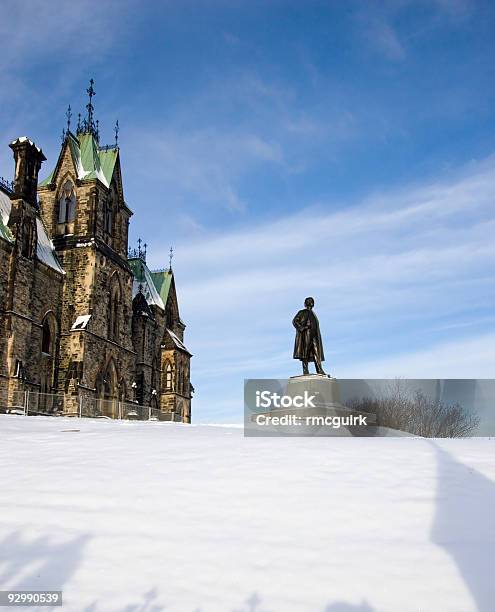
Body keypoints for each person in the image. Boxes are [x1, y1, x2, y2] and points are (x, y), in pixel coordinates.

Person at [292, 297, 326, 375]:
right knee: (305, 352)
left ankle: (319, 369)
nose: (311, 303)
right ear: (305, 304)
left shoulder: (314, 314)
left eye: (311, 301)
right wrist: (302, 328)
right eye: (309, 301)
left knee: (317, 352)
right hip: (306, 334)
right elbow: (295, 321)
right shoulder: (302, 312)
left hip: (315, 336)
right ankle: (305, 370)